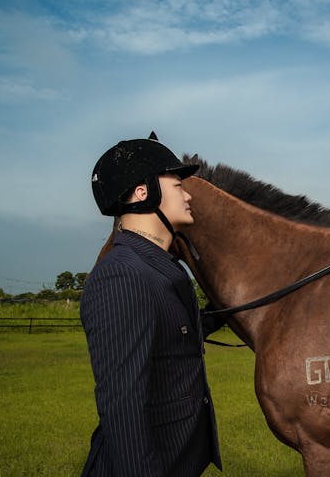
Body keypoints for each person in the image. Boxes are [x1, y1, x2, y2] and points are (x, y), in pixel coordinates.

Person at [80, 133, 222, 476]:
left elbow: (175, 333)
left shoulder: (157, 268)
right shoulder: (122, 276)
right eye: (177, 185)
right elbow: (123, 410)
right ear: (143, 192)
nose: (188, 195)